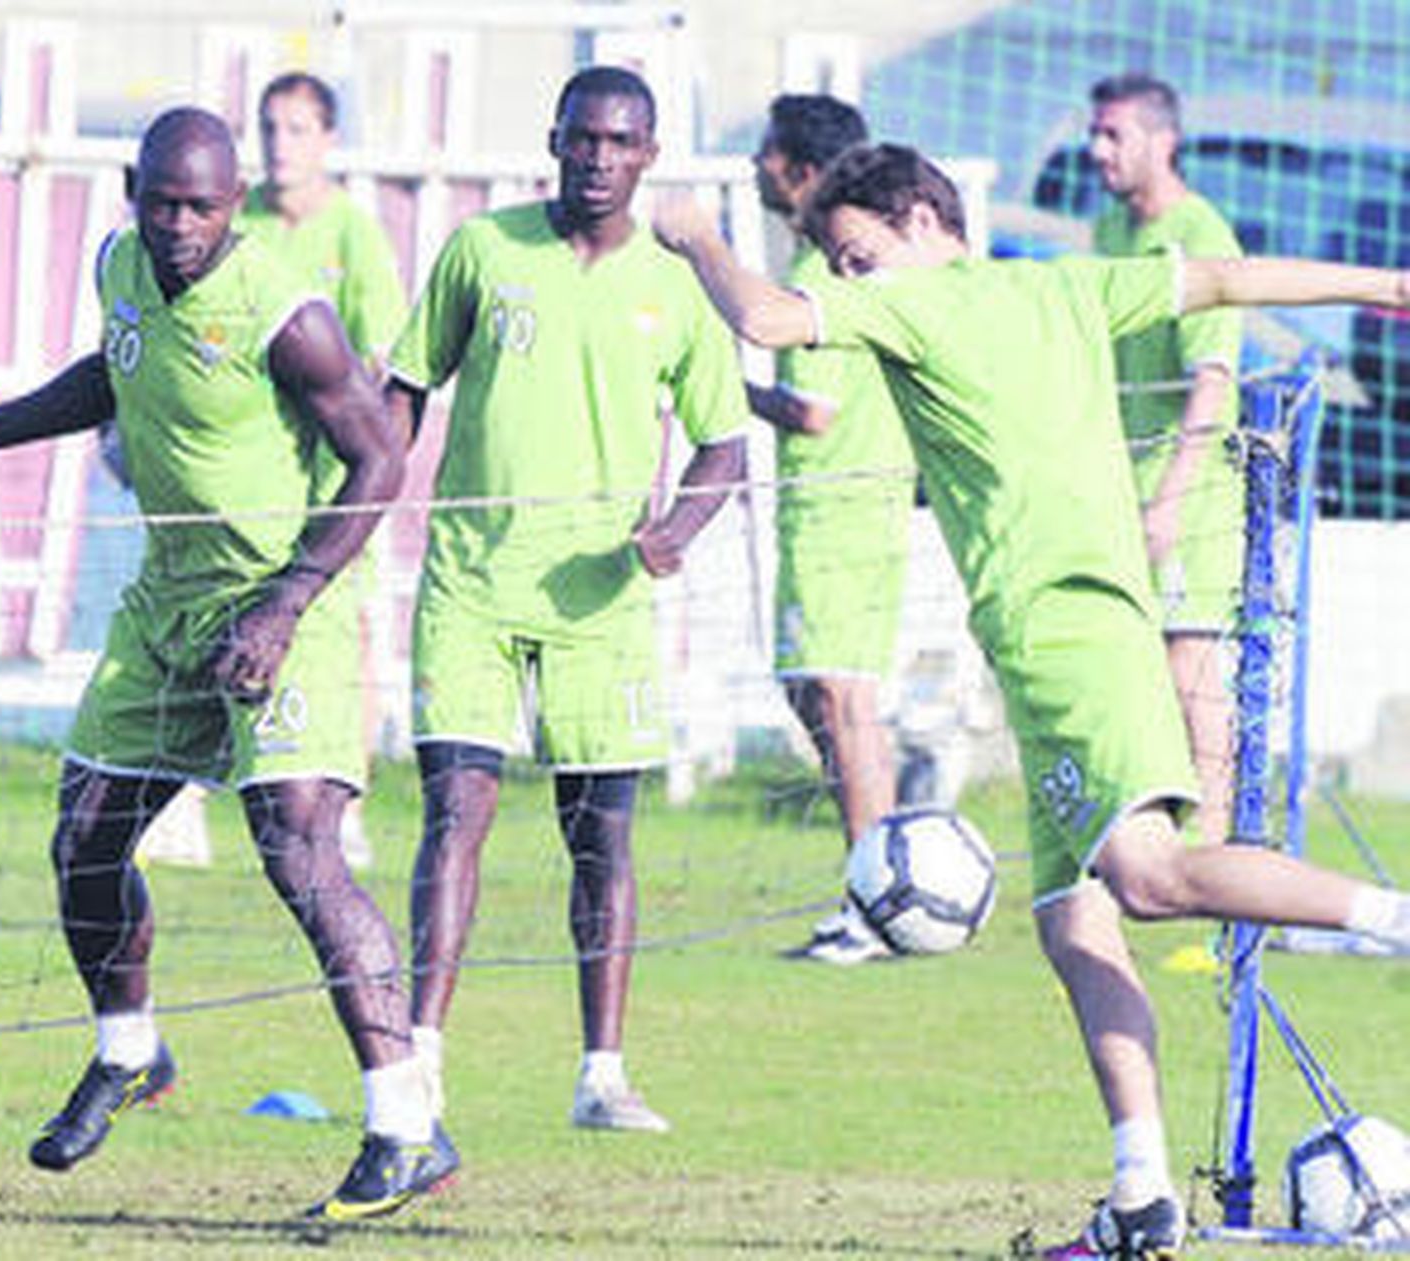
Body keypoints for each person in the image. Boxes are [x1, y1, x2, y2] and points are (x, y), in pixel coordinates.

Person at [652, 141, 1410, 1258]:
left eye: (857, 255)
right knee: (1071, 920)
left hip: (1061, 632)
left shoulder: (917, 305)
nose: (852, 281)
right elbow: (1225, 279)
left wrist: (694, 236)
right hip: (1077, 626)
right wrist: (1386, 284)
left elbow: (763, 318)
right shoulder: (1065, 286)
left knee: (1148, 878)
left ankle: (1394, 918)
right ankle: (1142, 1200)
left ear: (921, 221)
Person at [0, 106, 456, 1224]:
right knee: (85, 840)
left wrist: (287, 602)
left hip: (286, 601)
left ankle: (405, 1126)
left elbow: (380, 457)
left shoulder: (286, 313)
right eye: (161, 203)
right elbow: (114, 372)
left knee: (299, 849)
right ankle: (130, 1052)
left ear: (234, 205)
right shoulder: (121, 264)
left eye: (200, 207)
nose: (180, 225)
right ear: (132, 195)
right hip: (168, 605)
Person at [385, 65, 749, 1135]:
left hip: (604, 601)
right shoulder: (482, 251)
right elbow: (406, 388)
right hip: (470, 583)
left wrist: (675, 531)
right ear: (553, 141)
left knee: (601, 837)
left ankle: (601, 1073)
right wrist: (355, 501)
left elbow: (724, 444)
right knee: (456, 811)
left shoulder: (675, 287)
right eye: (582, 137)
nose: (598, 157)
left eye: (619, 142)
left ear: (648, 156)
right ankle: (420, 1059)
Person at [750, 93, 917, 965]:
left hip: (838, 513)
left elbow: (813, 412)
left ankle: (874, 898)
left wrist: (716, 385)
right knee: (818, 696)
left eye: (767, 152)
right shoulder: (845, 265)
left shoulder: (819, 274)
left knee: (841, 699)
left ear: (803, 171)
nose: (756, 166)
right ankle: (884, 866)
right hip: (849, 509)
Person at [236, 70, 413, 868]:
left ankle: (348, 801)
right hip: (244, 476)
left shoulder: (353, 233)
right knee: (213, 613)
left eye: (297, 129)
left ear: (328, 140)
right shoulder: (236, 220)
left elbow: (384, 359)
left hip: (329, 478)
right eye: (270, 127)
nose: (280, 144)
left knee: (348, 631)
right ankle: (190, 799)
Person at [1090, 72, 1244, 848]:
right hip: (1119, 484)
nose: (1097, 149)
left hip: (1187, 493)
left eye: (1113, 134)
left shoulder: (1201, 236)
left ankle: (1213, 846)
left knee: (1190, 662)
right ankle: (1151, 837)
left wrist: (1171, 499)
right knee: (1133, 668)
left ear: (1164, 141)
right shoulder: (1109, 232)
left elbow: (1212, 381)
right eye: (1095, 133)